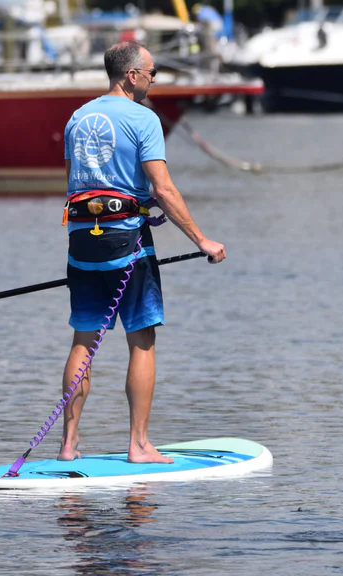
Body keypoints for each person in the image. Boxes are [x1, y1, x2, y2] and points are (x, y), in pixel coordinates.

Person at [59, 41, 226, 464]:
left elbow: (78, 184)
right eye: (152, 73)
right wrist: (201, 240)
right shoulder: (143, 119)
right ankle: (138, 445)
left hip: (81, 238)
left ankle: (68, 445)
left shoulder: (78, 117)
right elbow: (163, 188)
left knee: (85, 339)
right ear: (131, 75)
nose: (154, 80)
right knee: (142, 340)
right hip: (126, 241)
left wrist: (131, 200)